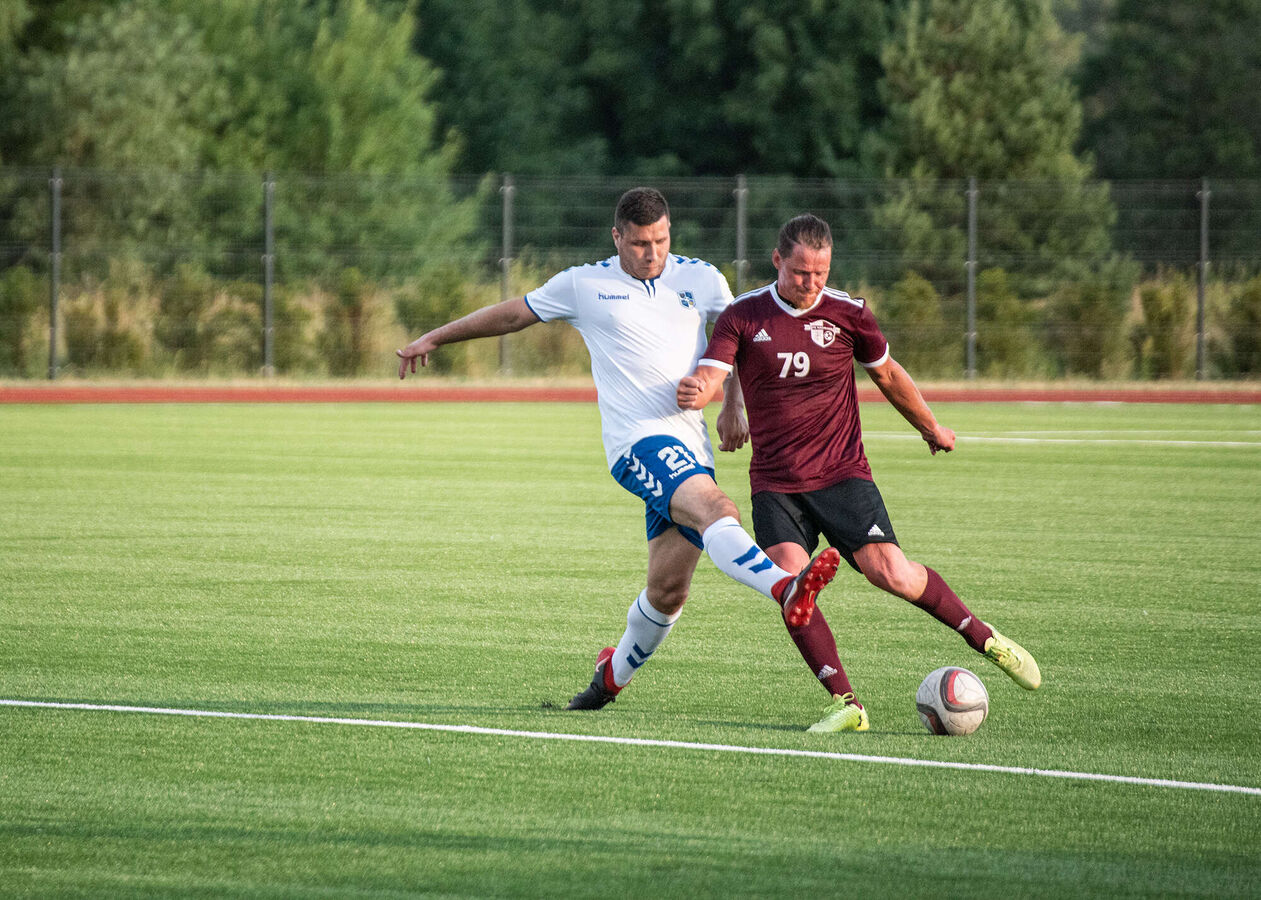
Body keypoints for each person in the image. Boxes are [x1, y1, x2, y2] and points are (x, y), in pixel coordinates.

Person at [396, 188, 841, 711]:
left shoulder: (703, 278)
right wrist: (435, 338)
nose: (652, 253)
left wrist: (730, 404)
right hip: (637, 443)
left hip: (692, 450)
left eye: (661, 240)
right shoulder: (584, 284)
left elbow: (738, 341)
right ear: (616, 238)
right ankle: (786, 590)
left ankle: (606, 682)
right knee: (719, 510)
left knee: (668, 591)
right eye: (639, 244)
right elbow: (514, 315)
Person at [677, 213, 1041, 733]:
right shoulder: (744, 314)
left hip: (842, 474)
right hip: (776, 484)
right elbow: (715, 370)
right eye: (800, 272)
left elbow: (887, 374)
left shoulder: (850, 314)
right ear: (777, 260)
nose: (810, 283)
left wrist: (931, 426)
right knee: (791, 588)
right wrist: (707, 393)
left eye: (820, 273)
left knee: (892, 574)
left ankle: (985, 639)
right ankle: (846, 703)